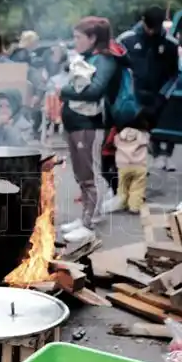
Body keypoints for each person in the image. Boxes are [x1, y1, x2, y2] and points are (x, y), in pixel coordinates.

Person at [58, 17, 125, 244]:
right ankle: (86, 215)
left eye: (78, 37)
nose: (74, 41)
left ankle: (90, 221)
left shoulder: (104, 60)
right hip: (75, 123)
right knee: (81, 173)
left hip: (89, 124)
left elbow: (94, 91)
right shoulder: (87, 58)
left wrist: (64, 91)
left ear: (93, 38)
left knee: (90, 174)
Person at [116, 6, 180, 172]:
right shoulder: (126, 40)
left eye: (156, 28)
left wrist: (162, 97)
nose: (152, 32)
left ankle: (140, 175)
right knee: (126, 143)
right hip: (129, 101)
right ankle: (125, 181)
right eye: (149, 27)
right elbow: (116, 70)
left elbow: (174, 75)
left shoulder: (170, 44)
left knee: (143, 140)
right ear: (143, 21)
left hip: (154, 101)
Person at [114, 126, 149, 213]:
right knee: (137, 188)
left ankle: (122, 204)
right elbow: (147, 141)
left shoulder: (119, 136)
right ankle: (134, 207)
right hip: (139, 166)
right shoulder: (143, 136)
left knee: (122, 186)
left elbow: (114, 142)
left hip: (123, 165)